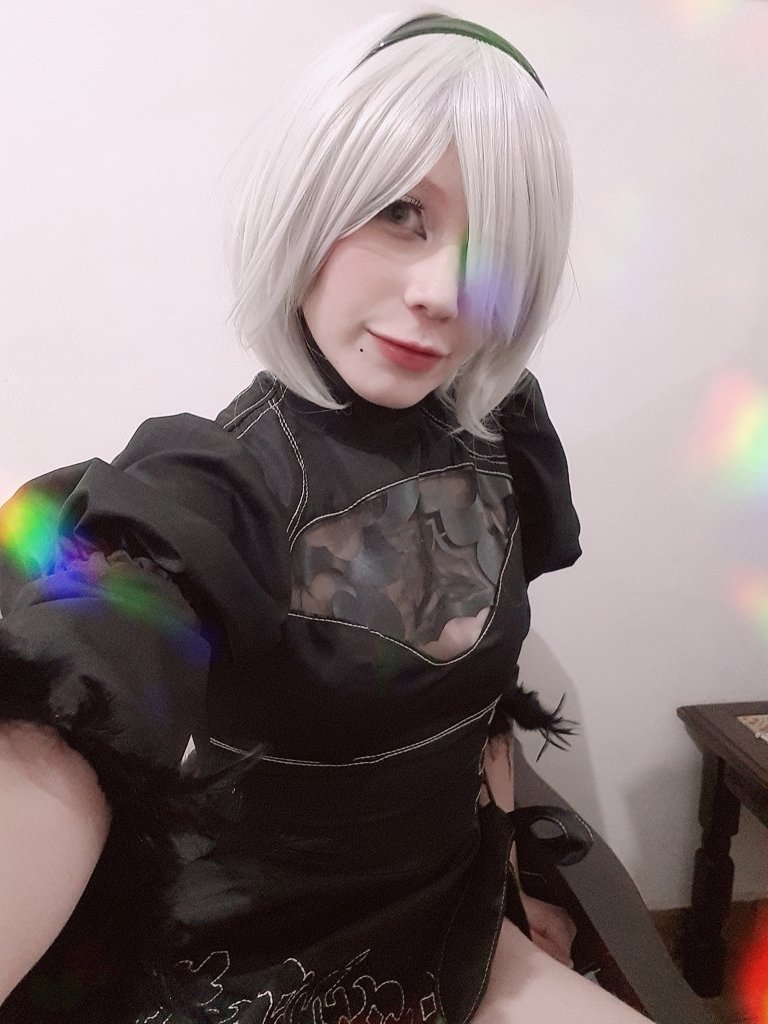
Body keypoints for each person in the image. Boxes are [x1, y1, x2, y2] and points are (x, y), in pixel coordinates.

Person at [0, 11, 651, 1023]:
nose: (444, 293)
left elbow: (485, 714)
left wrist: (511, 900)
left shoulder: (500, 438)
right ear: (313, 201)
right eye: (400, 212)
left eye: (493, 248)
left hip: (448, 940)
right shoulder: (214, 485)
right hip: (248, 982)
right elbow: (80, 700)